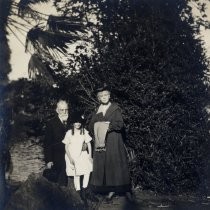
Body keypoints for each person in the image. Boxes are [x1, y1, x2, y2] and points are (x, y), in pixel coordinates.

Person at [88, 84, 133, 202]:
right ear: (98, 98)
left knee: (116, 164)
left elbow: (120, 124)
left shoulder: (115, 108)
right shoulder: (97, 110)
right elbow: (91, 126)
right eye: (101, 96)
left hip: (114, 140)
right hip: (101, 142)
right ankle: (110, 190)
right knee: (106, 165)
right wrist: (97, 129)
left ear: (109, 96)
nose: (104, 97)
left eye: (106, 95)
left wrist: (108, 127)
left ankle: (126, 189)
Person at [62, 112, 98, 204]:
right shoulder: (69, 133)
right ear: (72, 123)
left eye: (79, 122)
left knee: (87, 171)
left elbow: (89, 143)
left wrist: (90, 155)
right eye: (75, 122)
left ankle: (85, 189)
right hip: (72, 155)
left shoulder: (84, 131)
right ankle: (79, 192)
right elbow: (66, 147)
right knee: (76, 174)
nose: (77, 124)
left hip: (82, 154)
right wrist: (70, 158)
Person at [43, 99, 69, 186]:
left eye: (66, 109)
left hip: (71, 153)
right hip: (57, 155)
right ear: (57, 110)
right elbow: (47, 143)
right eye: (62, 110)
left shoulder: (72, 122)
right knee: (60, 179)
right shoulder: (51, 123)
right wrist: (49, 160)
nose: (64, 112)